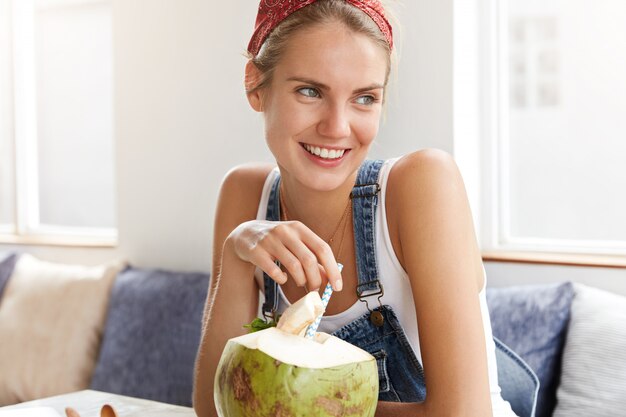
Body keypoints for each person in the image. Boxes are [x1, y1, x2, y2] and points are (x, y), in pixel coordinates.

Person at [193, 1, 533, 416]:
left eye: (364, 98)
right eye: (310, 91)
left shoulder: (422, 184)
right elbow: (213, 408)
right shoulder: (245, 196)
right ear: (255, 85)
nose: (337, 127)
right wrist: (236, 252)